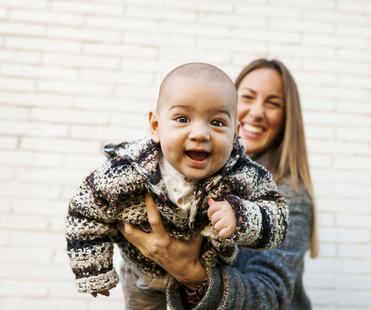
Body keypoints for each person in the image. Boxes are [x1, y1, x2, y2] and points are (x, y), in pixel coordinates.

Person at [65, 62, 289, 308]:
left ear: (235, 134)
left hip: (207, 281)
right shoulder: (126, 171)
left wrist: (242, 216)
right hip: (144, 277)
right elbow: (85, 208)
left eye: (217, 123)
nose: (200, 133)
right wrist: (92, 265)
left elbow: (278, 217)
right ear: (156, 127)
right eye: (183, 118)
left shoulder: (244, 175)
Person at [119, 59, 319, 309]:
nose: (257, 112)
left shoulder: (289, 196)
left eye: (273, 103)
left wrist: (191, 275)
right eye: (248, 97)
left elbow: (272, 298)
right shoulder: (178, 176)